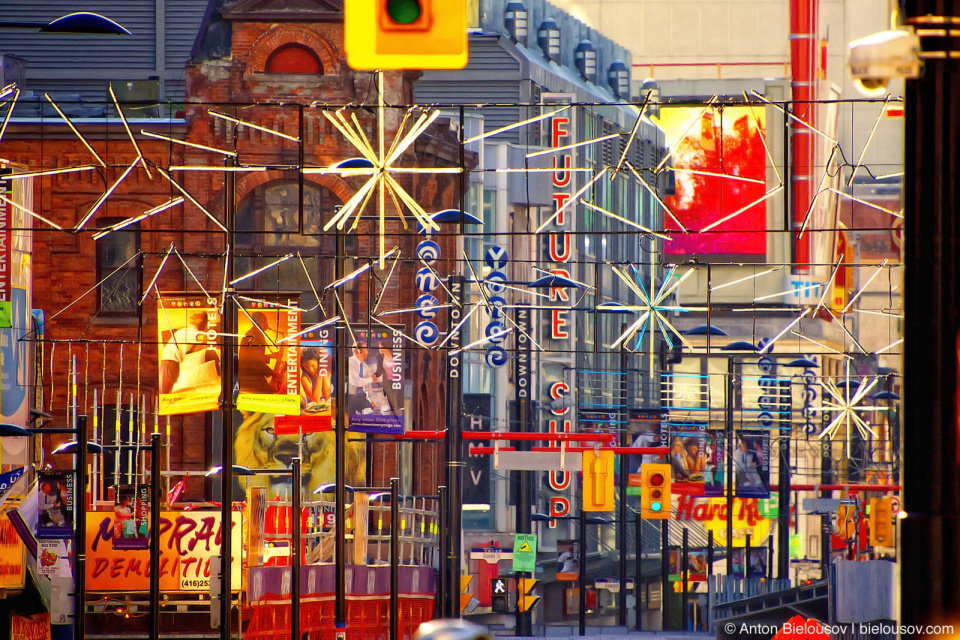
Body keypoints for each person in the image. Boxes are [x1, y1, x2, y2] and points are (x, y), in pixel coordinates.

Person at [160, 311, 218, 394]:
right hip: (169, 364)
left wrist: (208, 336)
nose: (193, 314)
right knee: (165, 393)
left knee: (164, 394)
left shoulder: (191, 330)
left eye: (197, 314)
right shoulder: (187, 329)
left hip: (169, 364)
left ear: (199, 320)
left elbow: (198, 336)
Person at [240, 311, 286, 394]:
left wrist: (271, 356)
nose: (267, 324)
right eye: (266, 321)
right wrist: (272, 372)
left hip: (247, 374)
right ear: (262, 320)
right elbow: (257, 362)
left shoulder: (252, 333)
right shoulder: (257, 335)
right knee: (267, 395)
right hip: (252, 377)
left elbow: (253, 357)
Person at [348, 341, 379, 414]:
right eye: (366, 349)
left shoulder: (364, 366)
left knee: (370, 410)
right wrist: (371, 379)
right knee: (349, 418)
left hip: (360, 396)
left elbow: (368, 386)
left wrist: (371, 400)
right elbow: (355, 381)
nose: (368, 352)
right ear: (359, 350)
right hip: (348, 397)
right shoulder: (349, 362)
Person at [300, 347, 332, 412]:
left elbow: (326, 396)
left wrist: (322, 372)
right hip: (310, 411)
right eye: (306, 366)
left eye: (313, 366)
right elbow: (315, 399)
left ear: (318, 362)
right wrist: (319, 377)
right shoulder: (304, 377)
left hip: (324, 408)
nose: (310, 369)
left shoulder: (325, 371)